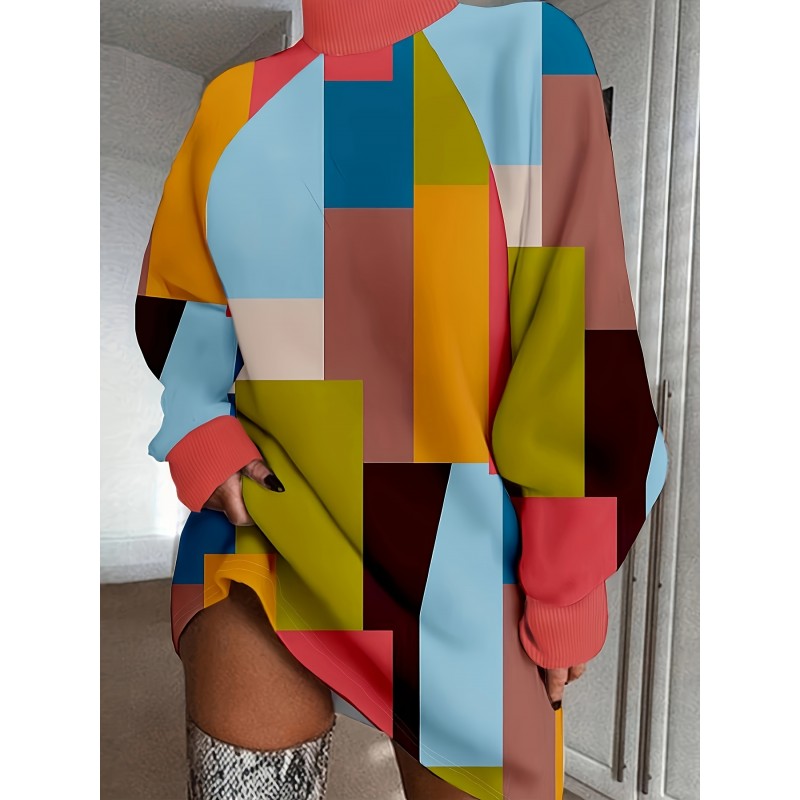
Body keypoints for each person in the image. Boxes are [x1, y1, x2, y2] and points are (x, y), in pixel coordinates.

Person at [134, 1, 669, 798]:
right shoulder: (229, 108)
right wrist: (199, 431)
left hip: (461, 560)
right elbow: (183, 303)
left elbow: (574, 330)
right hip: (268, 518)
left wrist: (568, 578)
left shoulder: (529, 52)